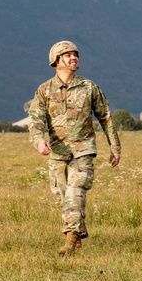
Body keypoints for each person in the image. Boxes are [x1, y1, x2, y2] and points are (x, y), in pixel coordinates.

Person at [28, 40, 121, 257]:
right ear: (56, 61)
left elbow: (105, 118)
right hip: (58, 151)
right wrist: (39, 140)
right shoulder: (44, 90)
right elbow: (35, 119)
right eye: (68, 55)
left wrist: (115, 148)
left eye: (75, 54)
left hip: (83, 150)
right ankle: (77, 233)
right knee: (62, 195)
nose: (73, 58)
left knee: (74, 192)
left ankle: (70, 239)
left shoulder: (89, 87)